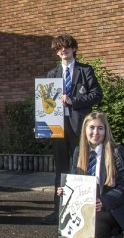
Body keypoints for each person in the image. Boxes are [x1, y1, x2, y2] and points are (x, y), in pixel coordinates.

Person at [42, 34, 103, 224]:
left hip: (79, 127)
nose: (63, 50)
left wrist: (73, 101)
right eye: (60, 48)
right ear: (57, 52)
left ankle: (81, 210)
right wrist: (42, 125)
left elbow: (97, 95)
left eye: (67, 47)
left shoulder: (85, 71)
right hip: (58, 128)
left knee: (80, 167)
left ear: (73, 49)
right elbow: (45, 104)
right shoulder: (52, 74)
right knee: (60, 169)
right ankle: (58, 210)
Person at [57, 112, 124, 238]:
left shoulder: (116, 152)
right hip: (88, 204)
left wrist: (104, 202)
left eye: (100, 128)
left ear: (106, 131)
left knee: (97, 219)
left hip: (110, 207)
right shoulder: (78, 152)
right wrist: (65, 190)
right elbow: (74, 180)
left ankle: (113, 234)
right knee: (68, 219)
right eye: (92, 127)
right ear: (85, 130)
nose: (95, 132)